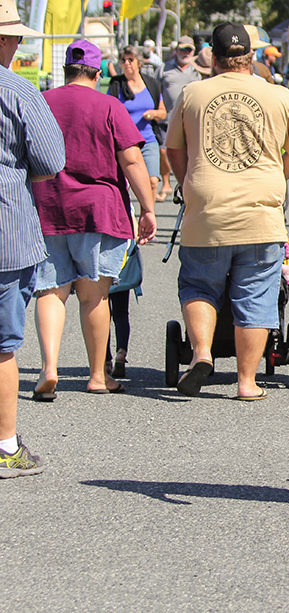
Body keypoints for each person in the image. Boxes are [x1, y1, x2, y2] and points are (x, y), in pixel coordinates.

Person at [166, 22, 289, 401]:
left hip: (207, 208)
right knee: (258, 293)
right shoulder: (277, 95)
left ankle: (202, 354)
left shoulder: (192, 93)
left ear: (213, 59)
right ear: (252, 57)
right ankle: (246, 382)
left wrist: (189, 183)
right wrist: (275, 176)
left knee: (199, 284)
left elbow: (174, 150)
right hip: (260, 210)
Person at [31, 40, 157, 398]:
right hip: (97, 211)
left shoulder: (43, 101)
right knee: (94, 296)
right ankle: (98, 376)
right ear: (98, 73)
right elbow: (132, 160)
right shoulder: (109, 105)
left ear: (66, 71)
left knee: (50, 292)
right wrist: (147, 208)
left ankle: (49, 368)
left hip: (48, 206)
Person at [0, 0, 65, 477]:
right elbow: (49, 162)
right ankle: (5, 446)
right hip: (6, 230)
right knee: (3, 346)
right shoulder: (19, 92)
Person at [107, 45, 167, 202]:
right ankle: (128, 216)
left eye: (130, 59)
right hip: (124, 142)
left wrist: (153, 114)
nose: (126, 63)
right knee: (124, 183)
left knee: (153, 181)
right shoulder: (116, 85)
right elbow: (108, 110)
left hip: (148, 139)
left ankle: (148, 214)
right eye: (123, 60)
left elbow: (163, 112)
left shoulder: (152, 84)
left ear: (138, 62)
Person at [159, 36, 201, 200]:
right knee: (165, 151)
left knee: (189, 154)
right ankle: (166, 183)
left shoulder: (198, 69)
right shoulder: (164, 68)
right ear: (176, 50)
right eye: (183, 49)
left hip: (190, 120)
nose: (186, 53)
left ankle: (189, 185)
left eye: (189, 50)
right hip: (167, 118)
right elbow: (155, 88)